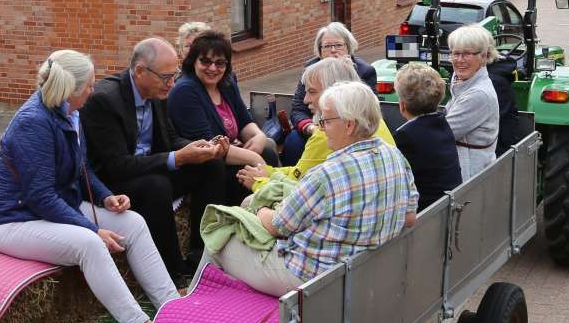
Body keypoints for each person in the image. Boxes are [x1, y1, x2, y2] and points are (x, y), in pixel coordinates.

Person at [0, 50, 181, 323]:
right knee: (90, 244)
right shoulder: (33, 122)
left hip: (54, 206)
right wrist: (91, 228)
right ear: (70, 89)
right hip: (13, 220)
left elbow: (82, 167)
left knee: (134, 223)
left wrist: (104, 196)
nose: (92, 90)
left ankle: (172, 306)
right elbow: (40, 196)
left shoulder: (70, 113)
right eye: (88, 85)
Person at [214, 82, 418, 296]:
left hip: (310, 276)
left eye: (326, 121)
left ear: (349, 125)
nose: (320, 128)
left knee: (217, 233)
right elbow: (410, 217)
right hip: (364, 268)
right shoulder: (394, 155)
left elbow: (277, 226)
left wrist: (258, 210)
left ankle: (196, 308)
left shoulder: (326, 175)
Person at [79, 39, 229, 279]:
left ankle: (201, 255)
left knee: (211, 166)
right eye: (166, 77)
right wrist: (178, 157)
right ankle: (173, 272)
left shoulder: (157, 90)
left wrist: (200, 149)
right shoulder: (105, 100)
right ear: (140, 71)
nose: (171, 84)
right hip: (114, 182)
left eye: (174, 76)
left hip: (151, 167)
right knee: (156, 186)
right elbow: (117, 165)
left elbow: (169, 138)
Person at [237, 57, 394, 192]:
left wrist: (260, 180)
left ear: (333, 92)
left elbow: (297, 190)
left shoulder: (328, 133)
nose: (305, 100)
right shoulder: (376, 121)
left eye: (312, 92)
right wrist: (270, 172)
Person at [168, 31, 280, 202]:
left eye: (220, 63)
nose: (213, 68)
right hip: (203, 163)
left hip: (226, 154)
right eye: (205, 61)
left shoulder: (226, 84)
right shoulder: (185, 91)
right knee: (256, 162)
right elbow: (208, 144)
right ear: (193, 61)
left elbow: (244, 121)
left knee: (267, 151)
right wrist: (255, 158)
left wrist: (259, 136)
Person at [282, 22, 380, 165]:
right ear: (319, 50)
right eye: (327, 46)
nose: (333, 50)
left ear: (348, 47)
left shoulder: (364, 71)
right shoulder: (311, 70)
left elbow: (370, 111)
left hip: (349, 128)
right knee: (293, 140)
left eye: (339, 45)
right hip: (315, 125)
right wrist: (312, 128)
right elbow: (298, 109)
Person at [393, 62, 462, 210]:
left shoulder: (405, 135)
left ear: (402, 105)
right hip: (449, 203)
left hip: (426, 210)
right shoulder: (441, 121)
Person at [443, 24, 500, 180]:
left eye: (467, 54)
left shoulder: (478, 94)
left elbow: (444, 133)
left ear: (483, 56)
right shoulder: (463, 83)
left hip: (469, 175)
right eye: (456, 53)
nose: (460, 60)